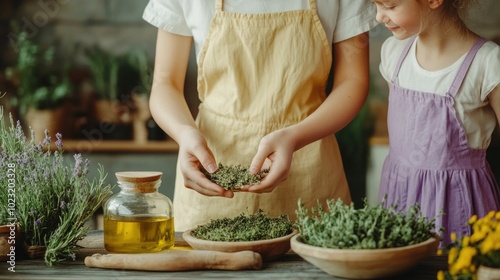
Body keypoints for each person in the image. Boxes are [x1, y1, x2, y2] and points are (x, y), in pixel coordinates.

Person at [142, 0, 378, 231]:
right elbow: (165, 84)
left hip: (310, 164)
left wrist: (295, 137)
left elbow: (353, 81)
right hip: (214, 168)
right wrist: (185, 134)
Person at [373, 0, 500, 246]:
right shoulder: (393, 54)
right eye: (375, 5)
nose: (379, 16)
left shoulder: (487, 63)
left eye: (390, 6)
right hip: (399, 200)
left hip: (460, 211)